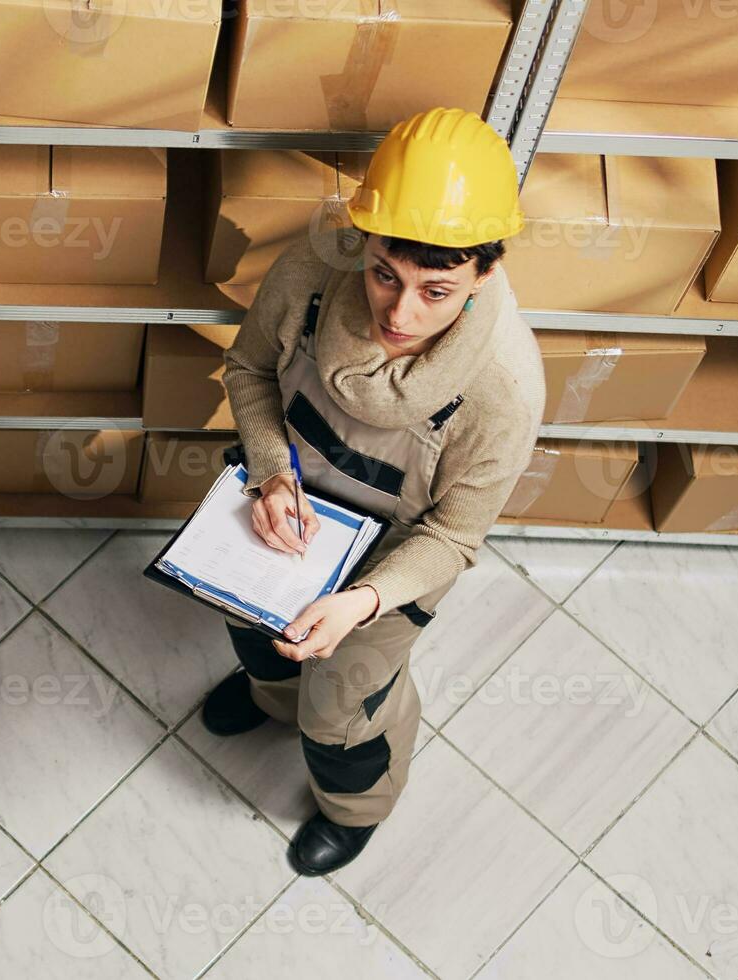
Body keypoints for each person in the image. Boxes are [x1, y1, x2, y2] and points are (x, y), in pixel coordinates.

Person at [204, 107, 545, 876]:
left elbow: (455, 538)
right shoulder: (310, 274)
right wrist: (270, 473)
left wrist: (359, 603)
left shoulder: (506, 392)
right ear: (364, 239)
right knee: (255, 630)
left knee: (342, 712)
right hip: (278, 513)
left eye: (438, 289)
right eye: (386, 272)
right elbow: (250, 372)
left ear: (485, 273)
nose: (400, 312)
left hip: (384, 574)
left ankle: (353, 809)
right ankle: (269, 699)